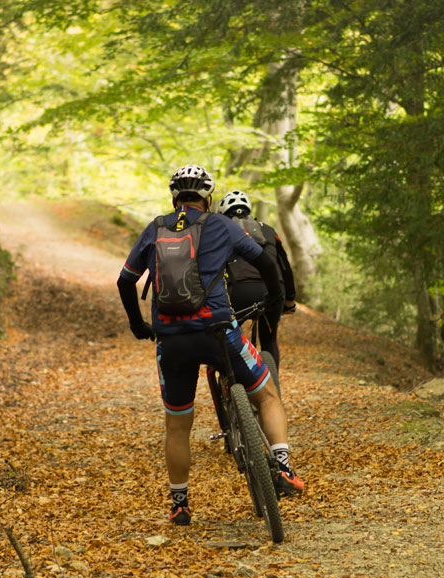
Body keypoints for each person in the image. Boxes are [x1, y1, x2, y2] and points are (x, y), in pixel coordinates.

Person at [116, 164, 305, 526]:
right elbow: (265, 262)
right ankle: (282, 467)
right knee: (266, 394)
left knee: (177, 424)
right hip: (219, 332)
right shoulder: (221, 225)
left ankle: (180, 504)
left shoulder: (155, 228)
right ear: (209, 198)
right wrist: (277, 300)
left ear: (174, 198)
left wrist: (138, 324)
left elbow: (125, 281)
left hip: (172, 341)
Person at [216, 190, 297, 370]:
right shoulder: (268, 230)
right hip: (273, 290)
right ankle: (272, 391)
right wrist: (289, 299)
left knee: (231, 336)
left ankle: (235, 386)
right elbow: (285, 268)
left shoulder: (219, 232)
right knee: (269, 341)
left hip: (238, 291)